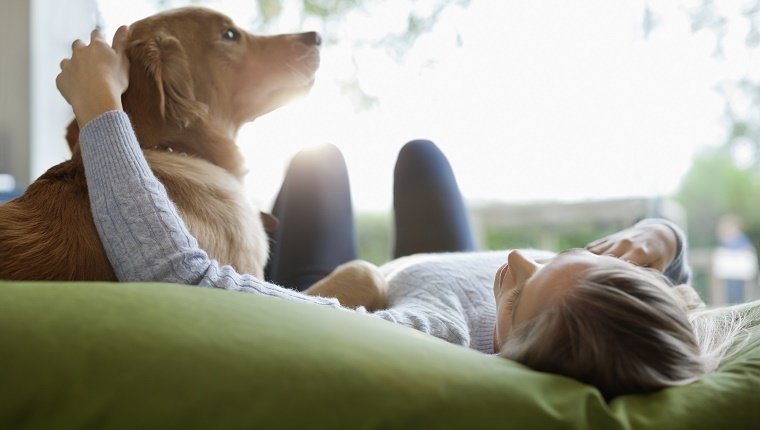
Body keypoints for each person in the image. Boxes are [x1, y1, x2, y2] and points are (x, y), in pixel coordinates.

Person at [57, 27, 746, 400]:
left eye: (521, 289)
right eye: (564, 258)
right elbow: (671, 276)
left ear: (507, 351)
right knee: (421, 155)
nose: (514, 258)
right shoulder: (617, 311)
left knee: (318, 163)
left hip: (365, 288)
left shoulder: (431, 336)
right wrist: (656, 237)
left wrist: (100, 107)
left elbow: (181, 279)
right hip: (435, 264)